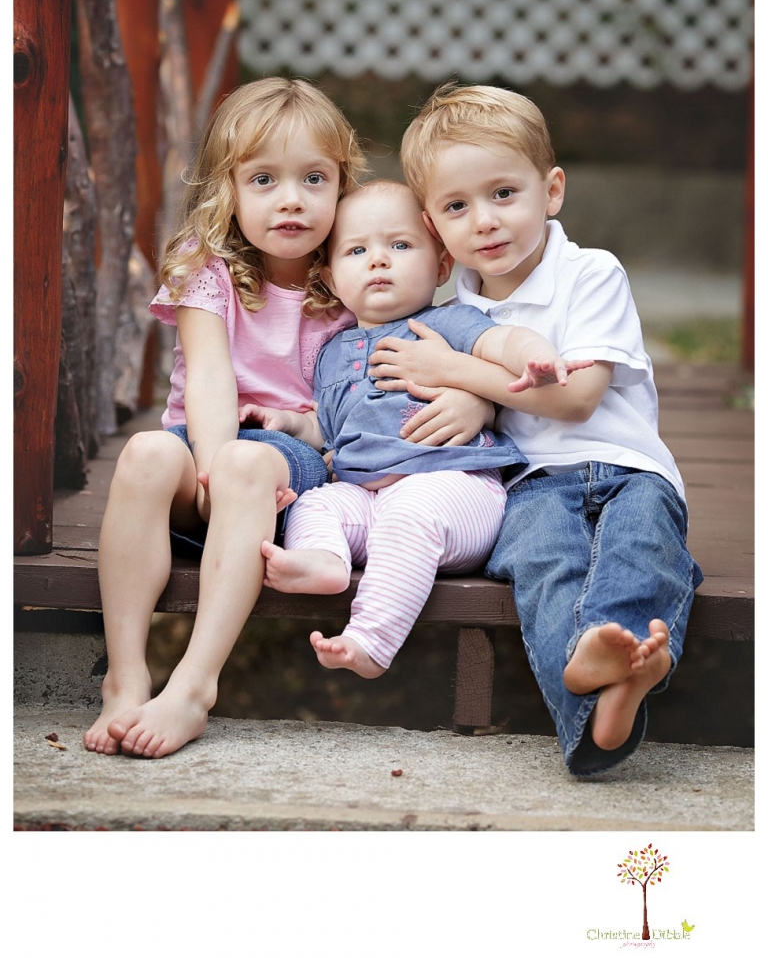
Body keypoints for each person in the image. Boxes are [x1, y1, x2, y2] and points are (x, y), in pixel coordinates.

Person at [367, 82, 704, 776]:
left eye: (503, 194)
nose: (484, 221)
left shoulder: (591, 274)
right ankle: (609, 696)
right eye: (457, 206)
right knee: (544, 564)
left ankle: (611, 660)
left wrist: (459, 373)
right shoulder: (454, 308)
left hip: (628, 464)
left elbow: (578, 397)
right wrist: (466, 394)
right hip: (528, 481)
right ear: (433, 225)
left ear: (550, 191)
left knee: (640, 546)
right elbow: (482, 401)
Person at [82, 76, 371, 759]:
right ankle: (125, 676)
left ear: (341, 186)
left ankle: (193, 683)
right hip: (205, 445)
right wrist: (207, 466)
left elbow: (363, 397)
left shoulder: (353, 274)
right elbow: (209, 374)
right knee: (147, 454)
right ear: (228, 187)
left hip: (288, 457)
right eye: (264, 179)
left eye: (314, 179)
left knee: (244, 461)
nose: (292, 199)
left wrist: (266, 449)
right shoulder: (204, 266)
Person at [261, 179, 591, 678]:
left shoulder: (446, 323)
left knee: (412, 509)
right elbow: (327, 431)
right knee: (315, 503)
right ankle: (324, 560)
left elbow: (502, 341)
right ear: (328, 278)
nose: (378, 260)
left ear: (441, 266)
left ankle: (371, 642)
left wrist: (534, 355)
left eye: (400, 245)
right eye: (356, 250)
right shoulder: (330, 353)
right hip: (369, 500)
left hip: (456, 491)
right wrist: (289, 423)